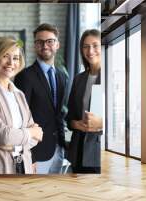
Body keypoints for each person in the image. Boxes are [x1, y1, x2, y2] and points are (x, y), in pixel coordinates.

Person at [0, 37, 43, 174]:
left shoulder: (19, 94)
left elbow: (37, 138)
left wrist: (11, 143)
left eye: (16, 58)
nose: (11, 62)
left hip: (23, 167)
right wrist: (29, 134)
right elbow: (3, 136)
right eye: (5, 56)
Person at [14, 24, 67, 174]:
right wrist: (27, 157)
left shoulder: (62, 77)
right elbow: (18, 120)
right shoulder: (24, 77)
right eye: (40, 42)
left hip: (58, 149)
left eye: (50, 41)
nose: (45, 46)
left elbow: (58, 114)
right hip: (35, 153)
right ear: (35, 46)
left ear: (57, 44)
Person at [66, 29, 102, 173]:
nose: (90, 50)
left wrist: (101, 123)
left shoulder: (110, 76)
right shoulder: (78, 79)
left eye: (95, 45)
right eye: (86, 46)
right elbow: (69, 117)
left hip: (98, 152)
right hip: (78, 150)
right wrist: (76, 124)